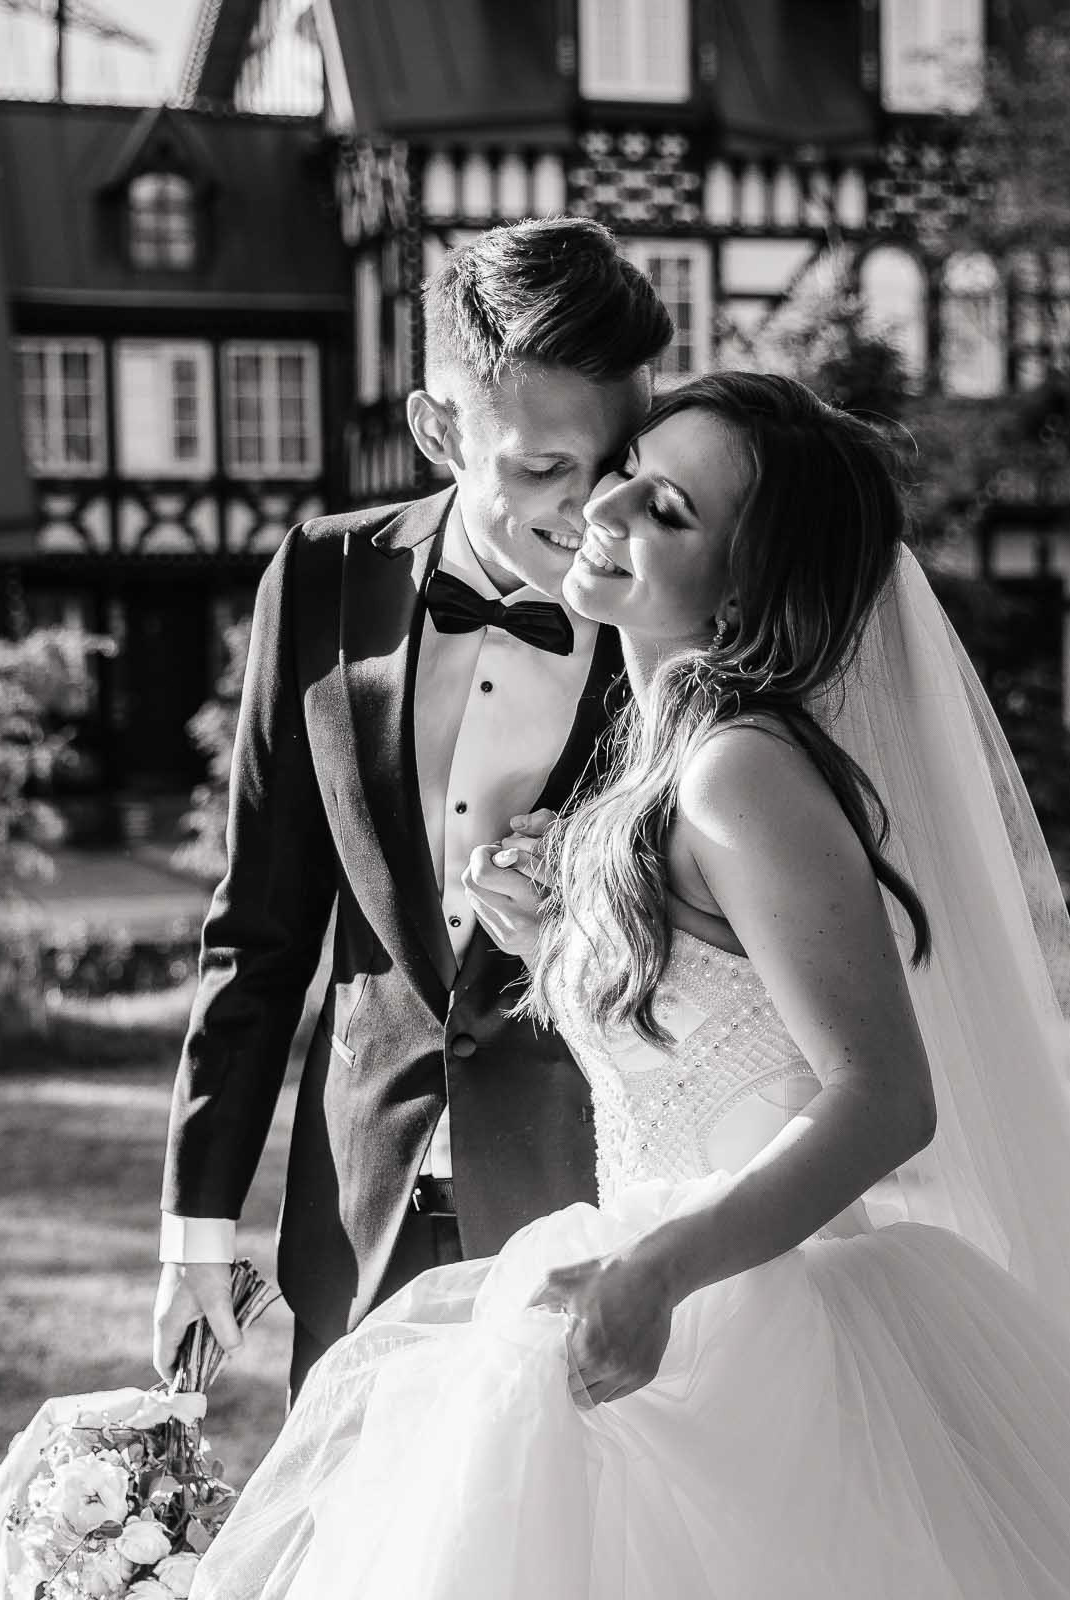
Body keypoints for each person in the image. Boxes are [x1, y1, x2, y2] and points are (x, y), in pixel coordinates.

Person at [191, 373, 1070, 1598]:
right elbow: (705, 1026)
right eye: (631, 470)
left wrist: (665, 1268)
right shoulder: (664, 764)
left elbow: (882, 1096)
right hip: (639, 1281)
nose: (604, 501)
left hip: (749, 1319)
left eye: (665, 507)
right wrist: (546, 941)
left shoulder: (740, 773)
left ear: (745, 587)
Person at [150, 218, 673, 1397]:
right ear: (439, 430)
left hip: (587, 1221)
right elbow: (259, 927)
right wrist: (198, 1220)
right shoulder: (322, 578)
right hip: (360, 1221)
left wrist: (591, 909)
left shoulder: (684, 614)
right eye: (541, 468)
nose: (590, 510)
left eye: (613, 463)